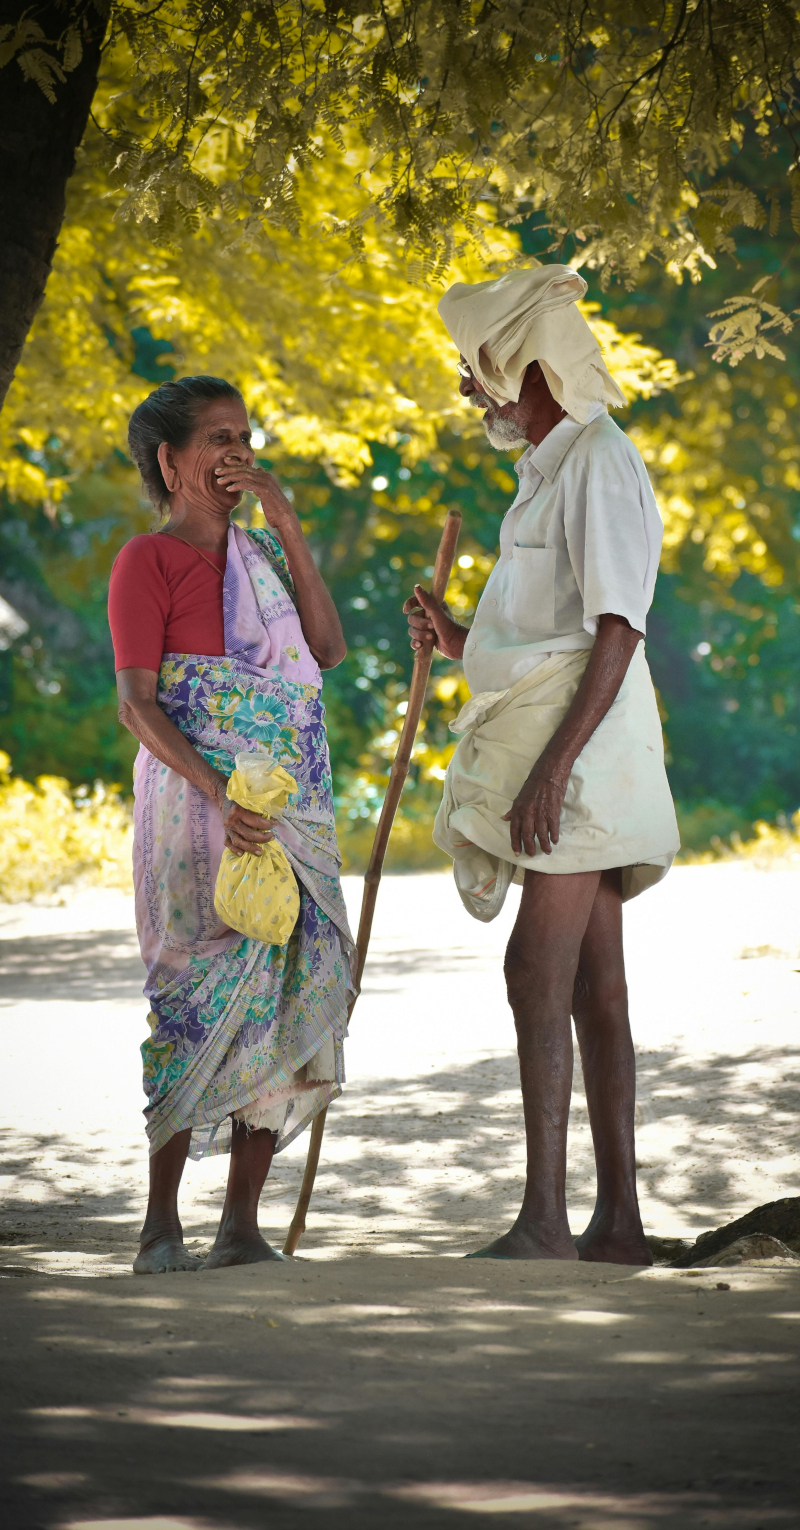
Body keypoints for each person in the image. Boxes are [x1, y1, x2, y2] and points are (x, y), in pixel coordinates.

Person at [404, 266, 680, 1264]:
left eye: (476, 369)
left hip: (585, 761)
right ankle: (614, 1226)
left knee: (536, 970)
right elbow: (554, 628)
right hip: (576, 754)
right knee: (593, 990)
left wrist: (552, 770)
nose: (468, 390)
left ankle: (542, 1226)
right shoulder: (556, 466)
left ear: (526, 364)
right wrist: (455, 633)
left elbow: (615, 629)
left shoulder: (599, 462)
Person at [109, 375, 354, 1274]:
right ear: (170, 462)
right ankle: (159, 1226)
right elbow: (138, 705)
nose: (236, 454)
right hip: (197, 807)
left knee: (288, 990)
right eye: (216, 439)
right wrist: (221, 790)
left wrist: (286, 525)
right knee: (191, 997)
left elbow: (324, 654)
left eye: (244, 436)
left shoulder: (260, 558)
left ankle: (240, 1228)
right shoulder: (148, 559)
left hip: (287, 810)